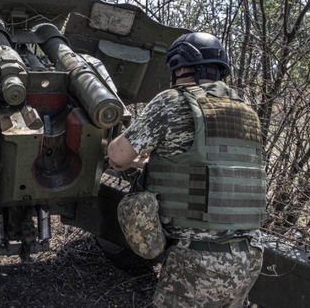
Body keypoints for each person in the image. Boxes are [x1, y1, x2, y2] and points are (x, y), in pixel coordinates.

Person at [107, 32, 266, 308]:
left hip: (198, 261)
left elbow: (118, 155)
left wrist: (123, 157)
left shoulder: (173, 101)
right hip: (249, 255)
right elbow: (213, 168)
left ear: (181, 66)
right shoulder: (247, 112)